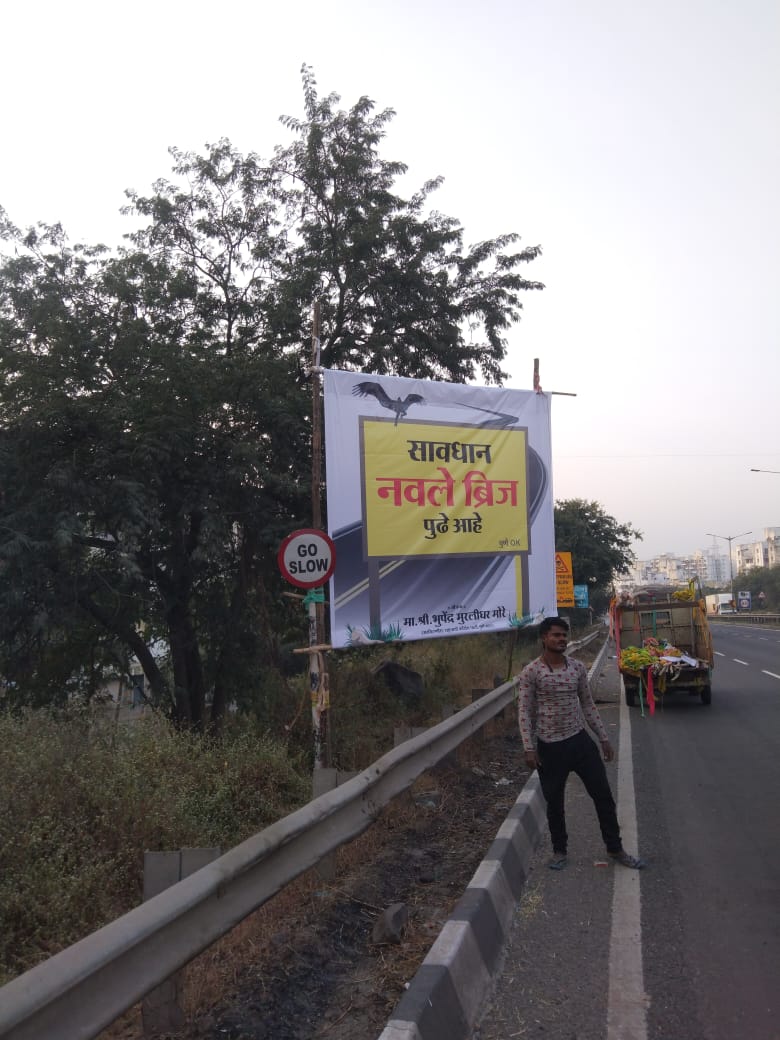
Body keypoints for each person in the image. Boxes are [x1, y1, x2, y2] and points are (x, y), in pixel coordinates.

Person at [516, 616, 645, 871]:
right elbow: (524, 711)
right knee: (555, 802)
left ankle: (615, 847)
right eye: (556, 635)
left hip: (580, 742)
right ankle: (559, 851)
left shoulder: (576, 668)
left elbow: (587, 703)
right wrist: (529, 747)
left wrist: (603, 737)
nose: (561, 639)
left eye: (564, 635)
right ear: (544, 638)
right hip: (550, 747)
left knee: (603, 797)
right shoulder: (532, 671)